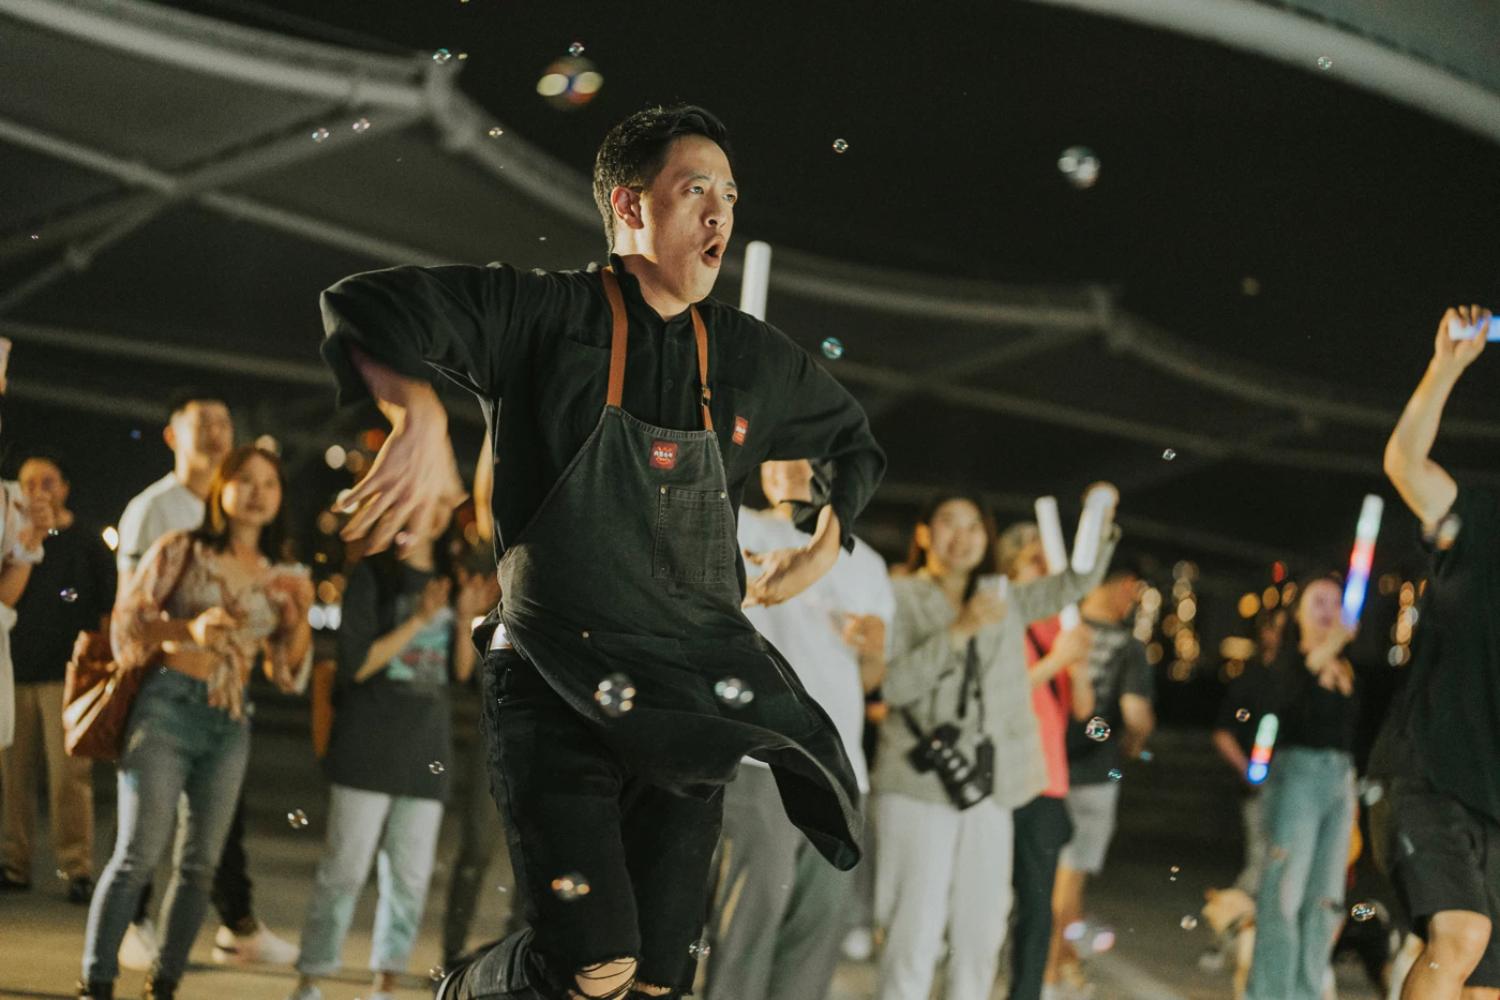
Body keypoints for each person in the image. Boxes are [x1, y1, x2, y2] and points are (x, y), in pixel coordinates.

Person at [317, 104, 884, 1000]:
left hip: (687, 700)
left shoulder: (742, 354)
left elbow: (852, 440)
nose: (720, 214)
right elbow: (367, 303)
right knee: (595, 966)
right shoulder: (542, 314)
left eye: (730, 195)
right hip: (552, 682)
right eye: (695, 189)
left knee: (655, 985)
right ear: (629, 204)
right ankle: (464, 990)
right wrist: (415, 407)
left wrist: (825, 539)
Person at [79, 444, 312, 1000]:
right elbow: (127, 624)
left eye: (270, 484)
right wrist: (189, 629)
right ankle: (97, 981)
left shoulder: (281, 575)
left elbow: (286, 673)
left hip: (230, 721)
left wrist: (298, 620)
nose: (257, 493)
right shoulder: (180, 548)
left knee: (200, 866)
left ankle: (164, 984)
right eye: (245, 480)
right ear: (221, 489)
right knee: (137, 854)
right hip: (166, 706)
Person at [873, 492, 1118, 1000]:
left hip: (991, 784)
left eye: (974, 527)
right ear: (924, 534)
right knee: (914, 930)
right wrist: (960, 629)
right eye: (948, 523)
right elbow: (893, 686)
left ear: (986, 539)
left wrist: (1100, 519)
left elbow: (1075, 583)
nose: (962, 537)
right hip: (919, 782)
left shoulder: (1004, 595)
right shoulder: (898, 594)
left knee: (982, 931)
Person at [114, 391, 298, 969]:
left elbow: (283, 660)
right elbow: (130, 607)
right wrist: (182, 636)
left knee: (215, 828)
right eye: (204, 422)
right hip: (165, 688)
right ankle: (136, 925)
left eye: (225, 421)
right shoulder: (156, 511)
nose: (218, 432)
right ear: (174, 434)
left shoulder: (246, 529)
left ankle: (235, 924)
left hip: (226, 696)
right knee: (148, 826)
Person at [703, 459, 894, 1000]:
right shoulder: (735, 526)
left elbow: (871, 679)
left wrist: (874, 649)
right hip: (760, 760)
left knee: (818, 929)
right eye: (779, 453)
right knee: (749, 921)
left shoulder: (867, 562)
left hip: (842, 770)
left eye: (805, 454)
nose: (790, 465)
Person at [288, 525, 491, 1000]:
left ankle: (386, 982)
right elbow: (356, 664)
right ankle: (311, 977)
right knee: (344, 870)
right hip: (368, 746)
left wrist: (463, 618)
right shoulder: (372, 575)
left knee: (410, 879)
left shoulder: (451, 576)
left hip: (426, 751)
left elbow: (460, 674)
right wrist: (419, 619)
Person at [1374, 303, 1500, 1000]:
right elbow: (1404, 463)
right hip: (1430, 771)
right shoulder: (1479, 522)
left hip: (1495, 800)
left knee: (1486, 987)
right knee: (1461, 936)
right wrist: (1446, 367)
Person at [0, 454, 115, 902]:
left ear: (65, 488)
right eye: (28, 482)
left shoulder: (86, 542)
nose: (38, 491)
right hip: (14, 669)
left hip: (67, 676)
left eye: (48, 481)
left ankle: (77, 867)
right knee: (13, 777)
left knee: (70, 776)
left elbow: (106, 608)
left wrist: (102, 671)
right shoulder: (13, 536)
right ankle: (14, 862)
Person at [1244, 576, 1359, 1000]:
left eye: (1335, 602)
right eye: (1318, 602)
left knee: (1326, 898)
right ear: (1298, 614)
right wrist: (1330, 646)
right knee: (1285, 893)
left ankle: (1306, 991)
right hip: (1297, 775)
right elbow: (1279, 703)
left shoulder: (1347, 668)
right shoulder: (1288, 662)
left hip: (1340, 778)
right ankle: (1270, 993)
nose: (1329, 611)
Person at [995, 522, 1095, 1000]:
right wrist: (1056, 660)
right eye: (1036, 559)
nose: (1047, 569)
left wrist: (1079, 664)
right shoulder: (999, 613)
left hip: (1048, 780)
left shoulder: (1060, 623)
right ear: (1012, 564)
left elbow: (1084, 709)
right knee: (989, 897)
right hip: (1001, 776)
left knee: (1038, 906)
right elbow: (1000, 692)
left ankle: (1026, 992)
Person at [1046, 560, 1155, 998]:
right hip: (1093, 774)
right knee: (1070, 879)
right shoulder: (1128, 648)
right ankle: (1051, 972)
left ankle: (1062, 963)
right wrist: (1134, 742)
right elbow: (1135, 714)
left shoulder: (1057, 626)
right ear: (1125, 585)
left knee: (1047, 876)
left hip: (1045, 767)